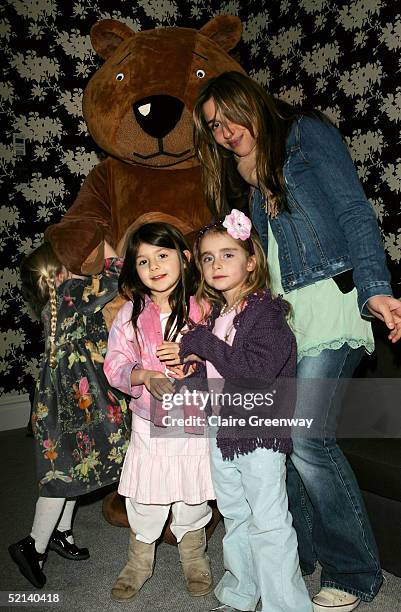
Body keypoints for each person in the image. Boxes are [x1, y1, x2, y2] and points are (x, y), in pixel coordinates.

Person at [192, 71, 401, 612]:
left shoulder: (305, 134)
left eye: (230, 115)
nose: (225, 130)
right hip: (280, 318)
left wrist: (376, 289)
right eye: (214, 126)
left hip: (329, 301)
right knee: (277, 443)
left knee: (308, 439)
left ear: (252, 101)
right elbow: (253, 259)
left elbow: (354, 211)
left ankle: (355, 573)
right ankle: (298, 553)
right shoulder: (245, 175)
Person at [179, 210, 312, 612]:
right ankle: (240, 592)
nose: (216, 264)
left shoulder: (267, 314)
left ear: (251, 261)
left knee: (269, 523)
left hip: (260, 436)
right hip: (224, 432)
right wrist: (187, 382)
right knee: (236, 516)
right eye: (207, 258)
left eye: (228, 255)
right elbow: (217, 374)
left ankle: (286, 606)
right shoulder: (218, 315)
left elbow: (253, 374)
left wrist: (203, 343)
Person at [103, 222, 215, 603]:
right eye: (143, 261)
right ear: (134, 270)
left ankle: (195, 558)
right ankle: (138, 563)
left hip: (193, 419)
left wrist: (197, 355)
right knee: (146, 496)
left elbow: (227, 356)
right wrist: (143, 374)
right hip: (150, 421)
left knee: (192, 493)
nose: (154, 266)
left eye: (162, 255)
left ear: (184, 259)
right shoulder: (131, 314)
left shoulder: (205, 309)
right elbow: (115, 364)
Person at [9, 241, 130, 589]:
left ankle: (62, 532)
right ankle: (33, 545)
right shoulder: (71, 291)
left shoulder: (53, 306)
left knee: (72, 463)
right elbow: (115, 274)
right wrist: (104, 248)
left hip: (59, 401)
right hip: (78, 400)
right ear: (59, 272)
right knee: (62, 474)